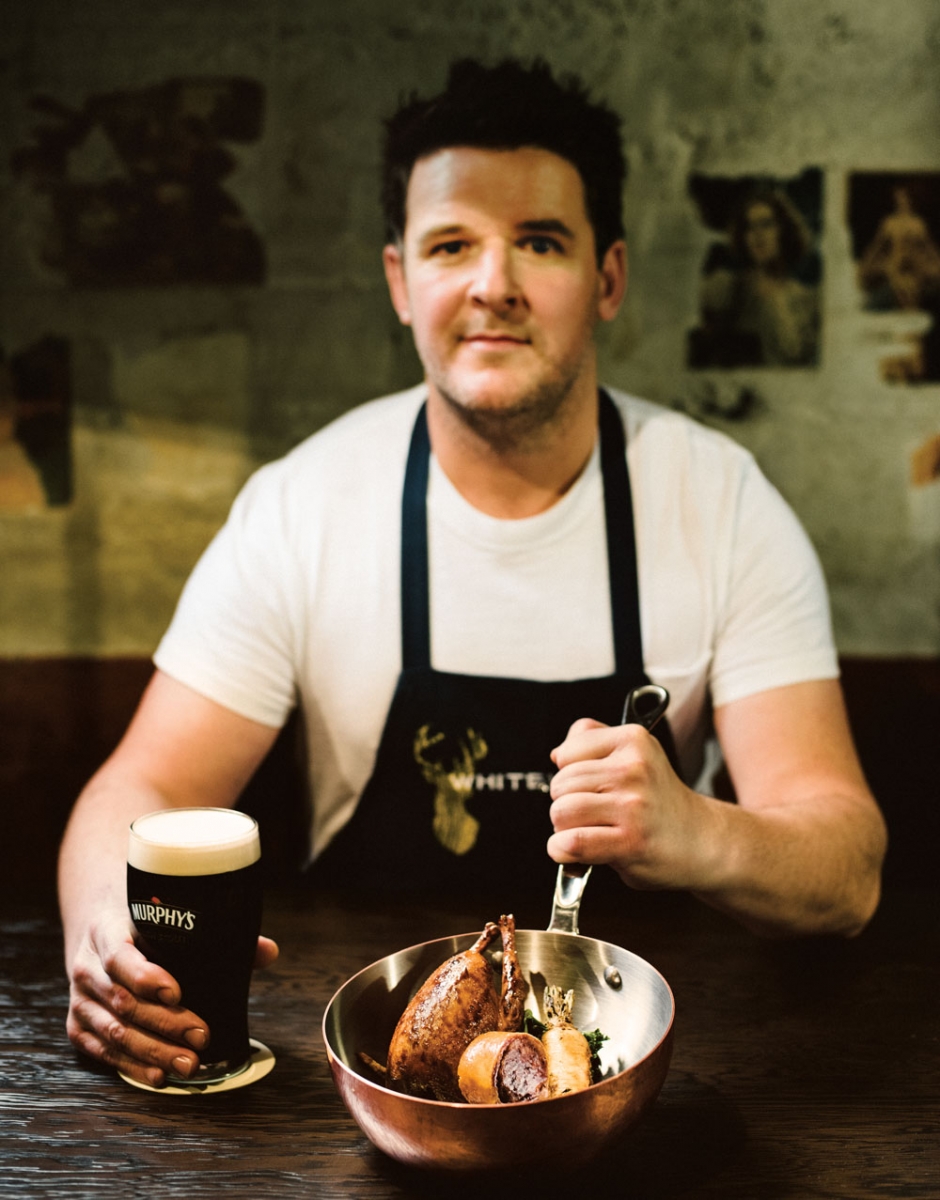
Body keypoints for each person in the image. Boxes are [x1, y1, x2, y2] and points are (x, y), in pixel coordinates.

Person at [58, 58, 887, 1089]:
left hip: (655, 1071)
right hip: (368, 1071)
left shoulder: (719, 504)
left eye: (539, 242)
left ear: (608, 278)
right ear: (402, 281)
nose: (492, 283)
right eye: (452, 244)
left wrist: (697, 831)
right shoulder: (303, 505)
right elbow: (143, 787)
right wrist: (104, 927)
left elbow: (845, 873)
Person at [692, 186, 819, 367]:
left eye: (766, 224)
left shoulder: (807, 299)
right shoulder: (726, 287)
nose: (757, 234)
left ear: (784, 231)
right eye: (749, 227)